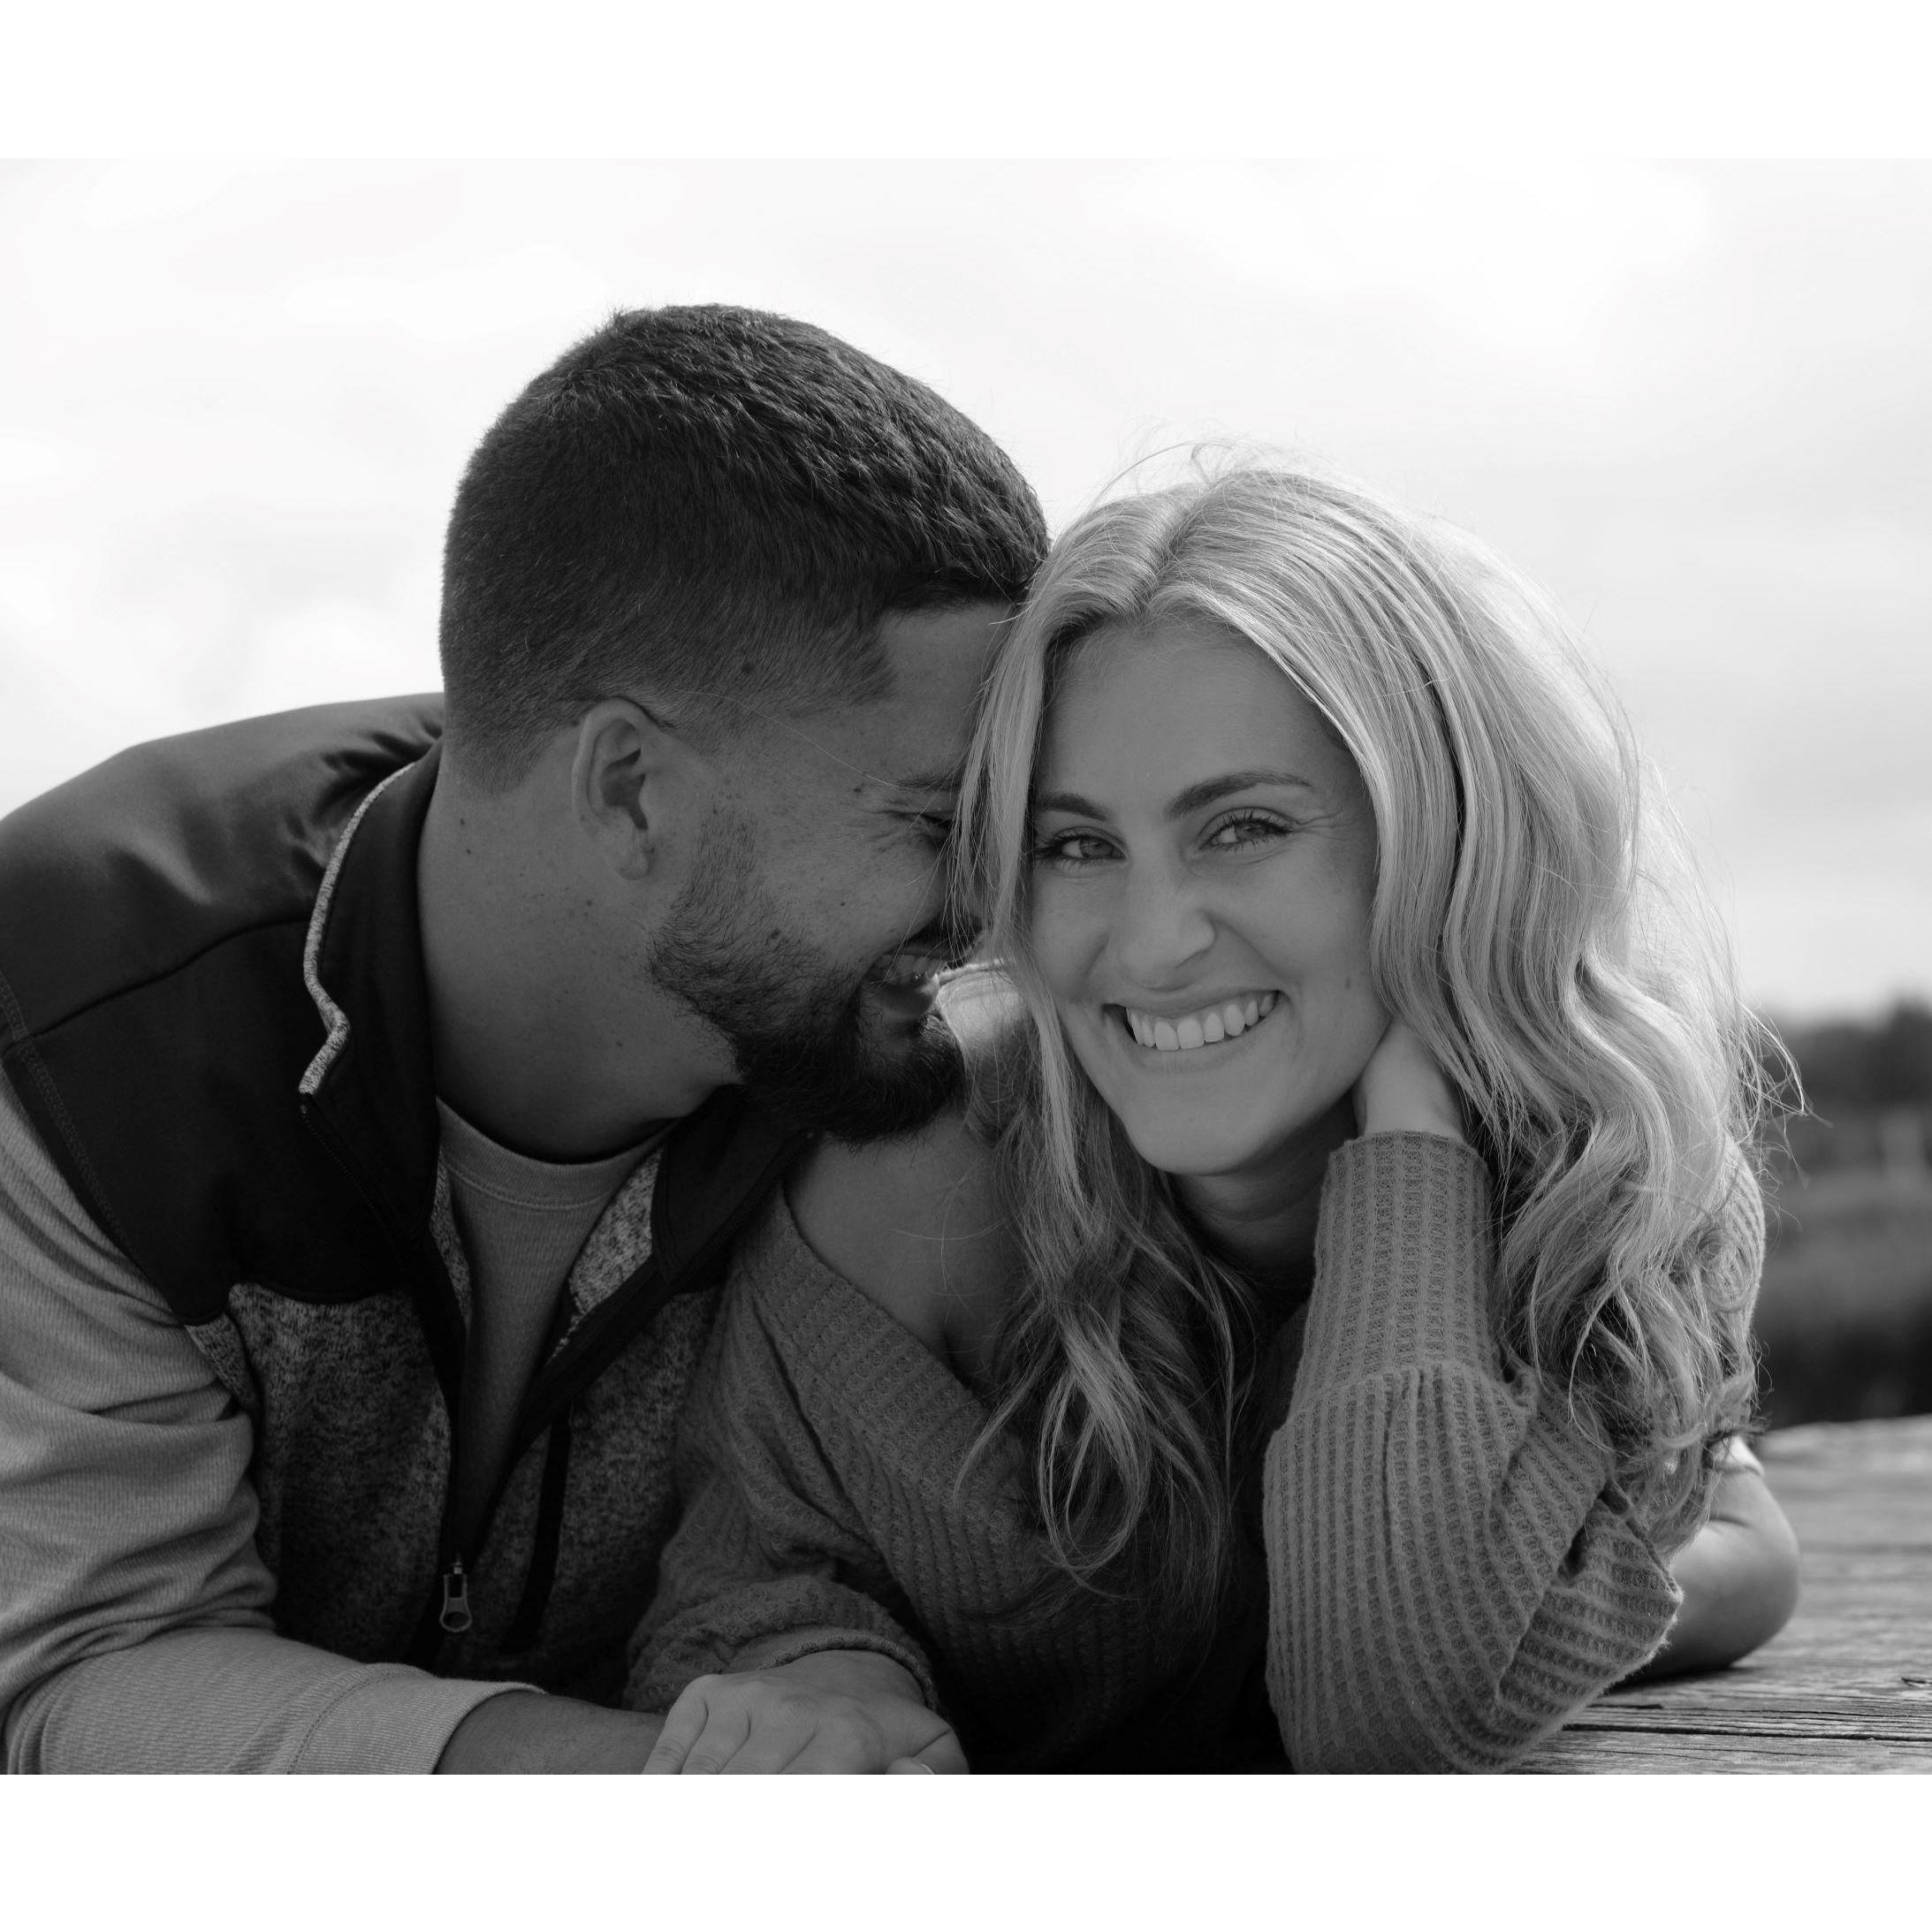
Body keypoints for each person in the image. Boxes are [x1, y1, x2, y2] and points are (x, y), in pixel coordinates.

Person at [624, 461, 1802, 1773]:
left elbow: (1384, 1712)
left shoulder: (1594, 1186)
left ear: (1445, 842)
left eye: (1242, 828)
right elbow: (761, 1582)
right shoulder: (924, 1167)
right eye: (1077, 845)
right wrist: (831, 1682)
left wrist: (1413, 1146)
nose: (1150, 944)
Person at [0, 304, 1046, 1772]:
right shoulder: (72, 1019)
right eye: (936, 824)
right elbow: (82, 1683)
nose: (1002, 909)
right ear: (628, 788)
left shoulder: (903, 1066)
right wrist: (668, 1791)